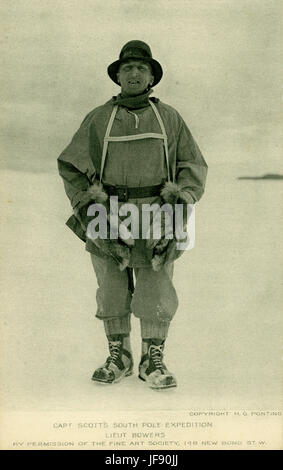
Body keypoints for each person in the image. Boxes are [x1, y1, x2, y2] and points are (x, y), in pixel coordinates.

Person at [57, 40, 207, 389]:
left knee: (156, 286)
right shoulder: (98, 119)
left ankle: (151, 359)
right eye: (128, 68)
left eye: (141, 68)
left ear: (152, 76)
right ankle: (118, 356)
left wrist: (180, 200)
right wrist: (88, 203)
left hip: (158, 213)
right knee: (111, 287)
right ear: (118, 76)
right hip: (107, 213)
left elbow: (192, 164)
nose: (134, 73)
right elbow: (71, 165)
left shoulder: (169, 118)